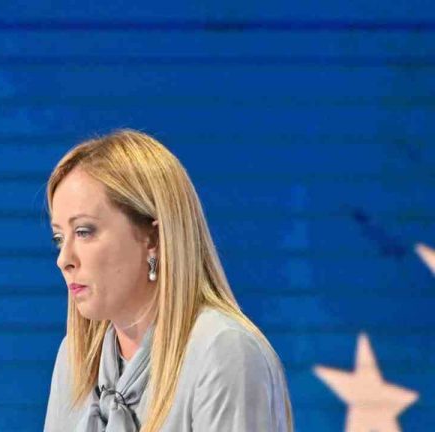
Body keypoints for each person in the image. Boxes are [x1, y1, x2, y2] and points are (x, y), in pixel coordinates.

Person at [43, 129, 294, 432]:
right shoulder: (75, 358)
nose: (64, 259)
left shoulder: (223, 352)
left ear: (153, 237)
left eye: (84, 232)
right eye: (59, 238)